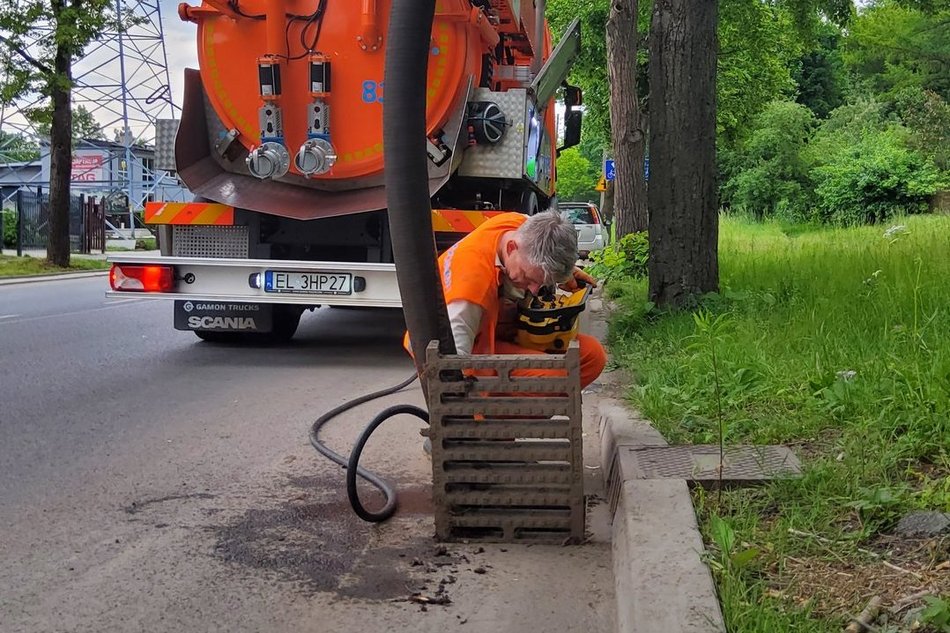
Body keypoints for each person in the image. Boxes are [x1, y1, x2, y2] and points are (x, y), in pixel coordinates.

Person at [406, 209, 607, 388]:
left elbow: (545, 249)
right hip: (464, 349)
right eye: (530, 279)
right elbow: (451, 368)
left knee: (591, 356)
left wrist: (562, 274)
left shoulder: (519, 226)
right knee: (557, 376)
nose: (536, 291)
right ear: (511, 248)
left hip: (494, 329)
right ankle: (493, 421)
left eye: (541, 282)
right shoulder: (468, 292)